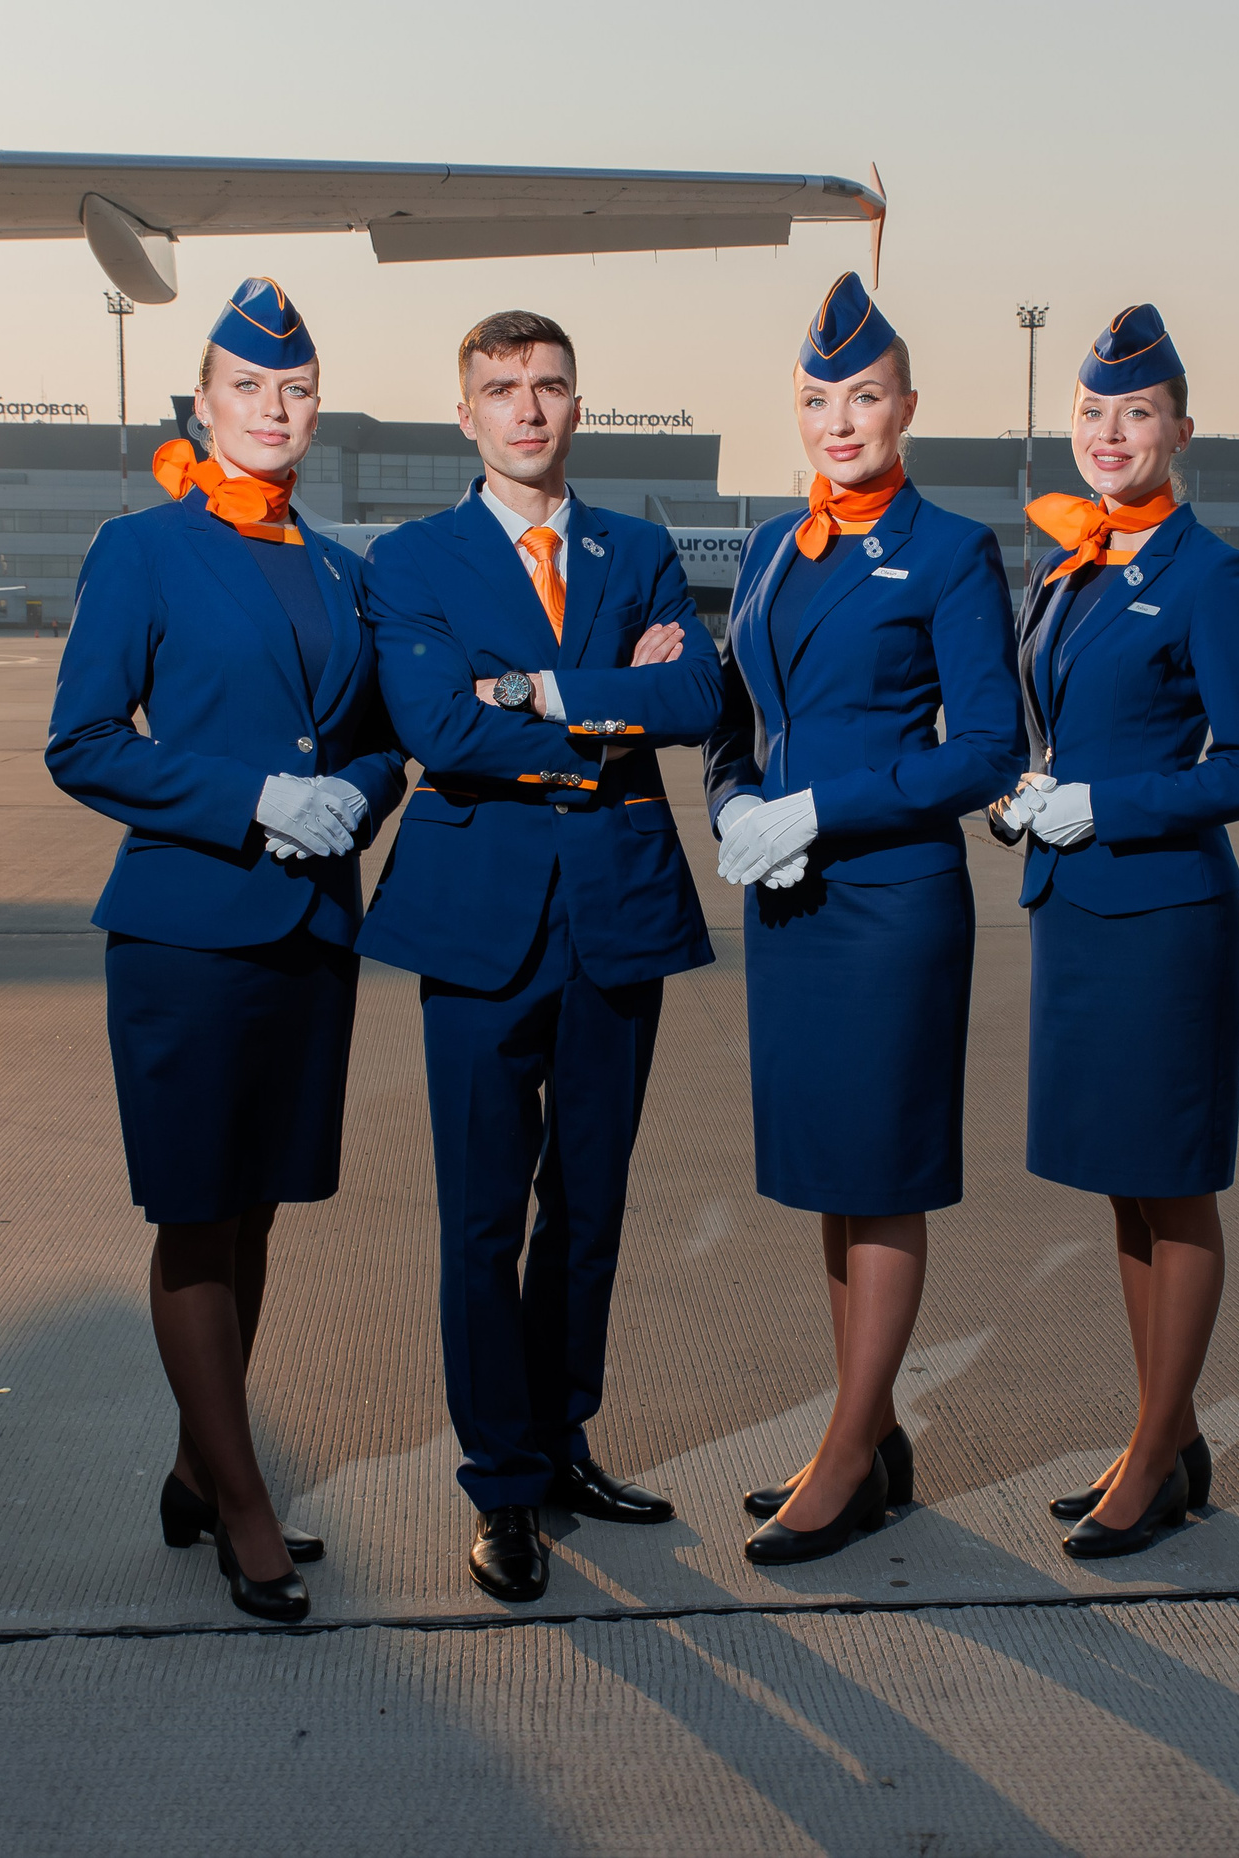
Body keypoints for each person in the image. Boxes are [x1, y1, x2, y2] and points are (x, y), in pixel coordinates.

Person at [46, 277, 407, 1622]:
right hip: (186, 930)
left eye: (296, 391)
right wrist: (251, 799)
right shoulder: (142, 548)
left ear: (317, 412)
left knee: (256, 1208)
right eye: (249, 389)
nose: (274, 408)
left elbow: (380, 739)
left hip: (310, 926)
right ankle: (246, 1500)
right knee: (198, 1211)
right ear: (203, 406)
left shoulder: (343, 571)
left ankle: (202, 1467)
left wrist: (353, 801)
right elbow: (81, 740)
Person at [359, 310, 723, 1604]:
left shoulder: (639, 547)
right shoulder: (411, 559)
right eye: (501, 389)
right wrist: (609, 691)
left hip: (616, 909)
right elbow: (444, 732)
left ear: (580, 405)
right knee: (480, 1218)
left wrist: (542, 690)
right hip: (477, 923)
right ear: (463, 414)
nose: (527, 407)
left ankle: (566, 1438)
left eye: (550, 386)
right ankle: (501, 1484)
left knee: (591, 1208)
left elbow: (699, 700)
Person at [704, 274, 1024, 1565]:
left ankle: (848, 1457)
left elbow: (989, 748)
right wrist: (732, 804)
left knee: (881, 1179)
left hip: (887, 901)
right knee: (832, 1177)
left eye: (864, 396)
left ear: (907, 406)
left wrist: (817, 808)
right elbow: (733, 711)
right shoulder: (777, 545)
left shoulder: (950, 549)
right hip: (788, 900)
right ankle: (868, 1428)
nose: (841, 421)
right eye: (817, 400)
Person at [990, 304, 1239, 1559]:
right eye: (1093, 413)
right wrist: (1035, 791)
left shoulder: (1208, 574)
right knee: (1123, 1185)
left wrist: (1099, 804)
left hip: (1165, 918)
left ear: (1178, 428)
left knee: (1174, 1187)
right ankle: (1158, 1433)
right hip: (1080, 913)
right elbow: (1067, 722)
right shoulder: (1072, 564)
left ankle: (1158, 1452)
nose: (1111, 434)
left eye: (1137, 414)